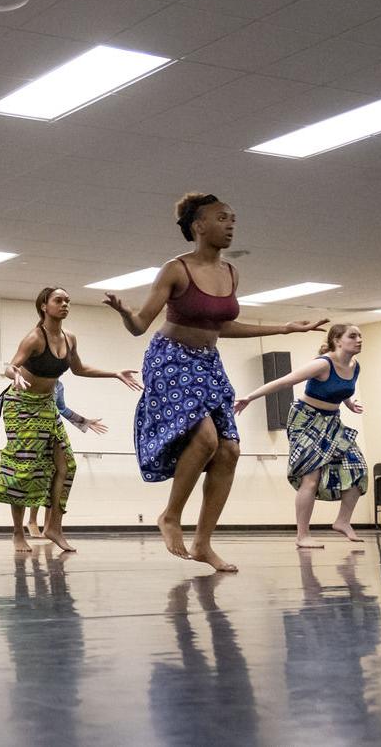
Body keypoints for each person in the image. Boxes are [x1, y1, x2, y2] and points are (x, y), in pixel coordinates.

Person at [104, 193, 326, 572]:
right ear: (198, 226)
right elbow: (141, 325)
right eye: (222, 218)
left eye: (233, 219)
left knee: (229, 451)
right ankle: (171, 516)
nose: (230, 225)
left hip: (208, 362)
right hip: (170, 359)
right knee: (205, 438)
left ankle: (203, 543)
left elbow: (221, 326)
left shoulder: (231, 273)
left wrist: (285, 327)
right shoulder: (176, 269)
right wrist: (126, 313)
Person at [0, 287, 140, 553]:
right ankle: (17, 533)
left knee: (66, 465)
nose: (65, 304)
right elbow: (10, 367)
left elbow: (79, 369)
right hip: (21, 405)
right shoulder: (34, 338)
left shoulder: (69, 338)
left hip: (47, 405)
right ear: (44, 306)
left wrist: (114, 373)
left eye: (67, 301)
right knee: (25, 470)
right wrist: (14, 375)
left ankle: (53, 526)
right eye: (59, 300)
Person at [234, 324, 368, 547]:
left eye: (360, 335)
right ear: (337, 340)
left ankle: (343, 521)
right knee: (311, 477)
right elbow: (285, 381)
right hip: (306, 420)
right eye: (352, 336)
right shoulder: (322, 364)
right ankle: (302, 535)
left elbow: (341, 388)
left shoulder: (355, 366)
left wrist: (349, 403)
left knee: (357, 468)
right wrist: (249, 397)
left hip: (332, 421)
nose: (359, 340)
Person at [0, 381, 106, 538]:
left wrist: (84, 421)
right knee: (30, 474)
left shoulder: (58, 386)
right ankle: (26, 525)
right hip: (31, 430)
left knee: (53, 473)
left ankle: (48, 525)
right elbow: (7, 396)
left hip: (49, 429)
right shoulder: (30, 378)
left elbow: (62, 409)